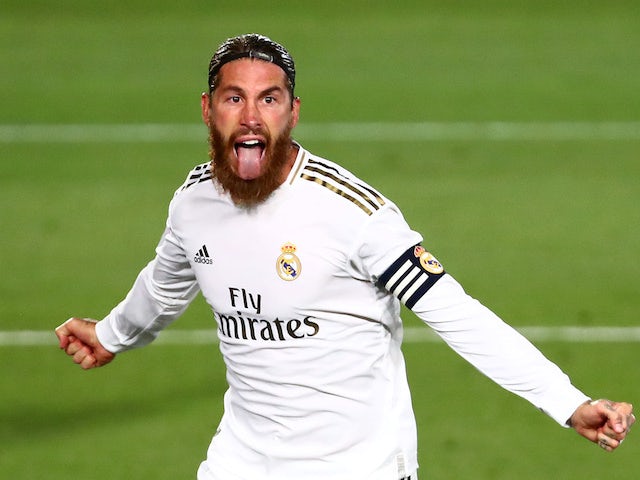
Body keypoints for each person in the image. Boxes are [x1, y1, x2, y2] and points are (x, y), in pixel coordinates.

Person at [56, 33, 634, 480]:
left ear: (293, 112)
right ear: (208, 109)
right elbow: (163, 286)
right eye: (235, 98)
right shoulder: (193, 203)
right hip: (243, 461)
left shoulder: (352, 213)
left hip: (359, 465)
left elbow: (457, 314)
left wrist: (567, 403)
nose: (252, 116)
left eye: (269, 99)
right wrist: (111, 335)